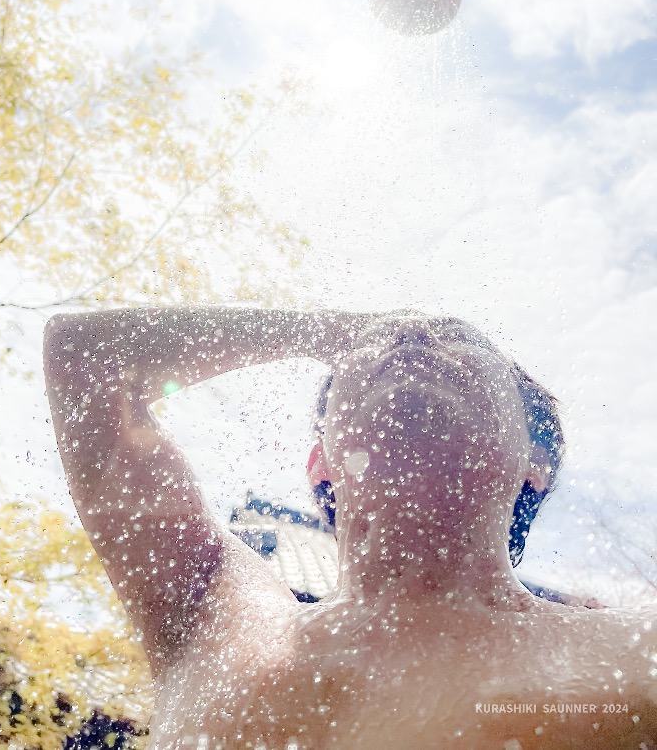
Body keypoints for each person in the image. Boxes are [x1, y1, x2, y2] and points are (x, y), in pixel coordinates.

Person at [44, 307, 657, 749]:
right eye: (353, 366)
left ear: (535, 464)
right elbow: (85, 354)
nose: (418, 333)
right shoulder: (223, 622)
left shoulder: (636, 656)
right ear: (321, 465)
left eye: (461, 338)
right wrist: (337, 331)